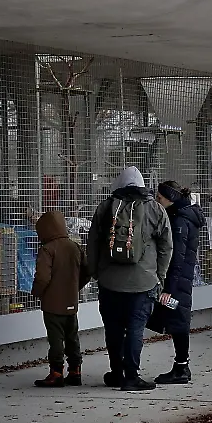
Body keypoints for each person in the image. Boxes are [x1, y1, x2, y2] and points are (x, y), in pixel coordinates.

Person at [88, 166, 174, 391]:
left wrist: (96, 272)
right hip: (143, 282)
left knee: (113, 329)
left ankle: (116, 372)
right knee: (136, 329)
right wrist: (160, 275)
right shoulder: (155, 209)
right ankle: (131, 376)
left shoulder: (105, 208)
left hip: (110, 282)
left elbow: (93, 243)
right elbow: (167, 245)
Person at [142, 181, 206, 384]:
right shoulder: (184, 216)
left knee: (178, 322)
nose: (157, 202)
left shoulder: (179, 222)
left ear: (170, 198)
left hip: (177, 281)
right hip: (181, 279)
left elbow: (176, 258)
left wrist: (168, 288)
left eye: (160, 198)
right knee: (177, 320)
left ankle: (181, 367)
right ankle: (181, 365)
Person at [31, 210, 91, 388]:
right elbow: (87, 271)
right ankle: (75, 371)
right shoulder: (75, 246)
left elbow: (42, 277)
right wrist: (75, 286)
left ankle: (56, 373)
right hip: (71, 301)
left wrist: (37, 292)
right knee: (72, 337)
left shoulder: (47, 249)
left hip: (52, 303)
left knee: (56, 339)